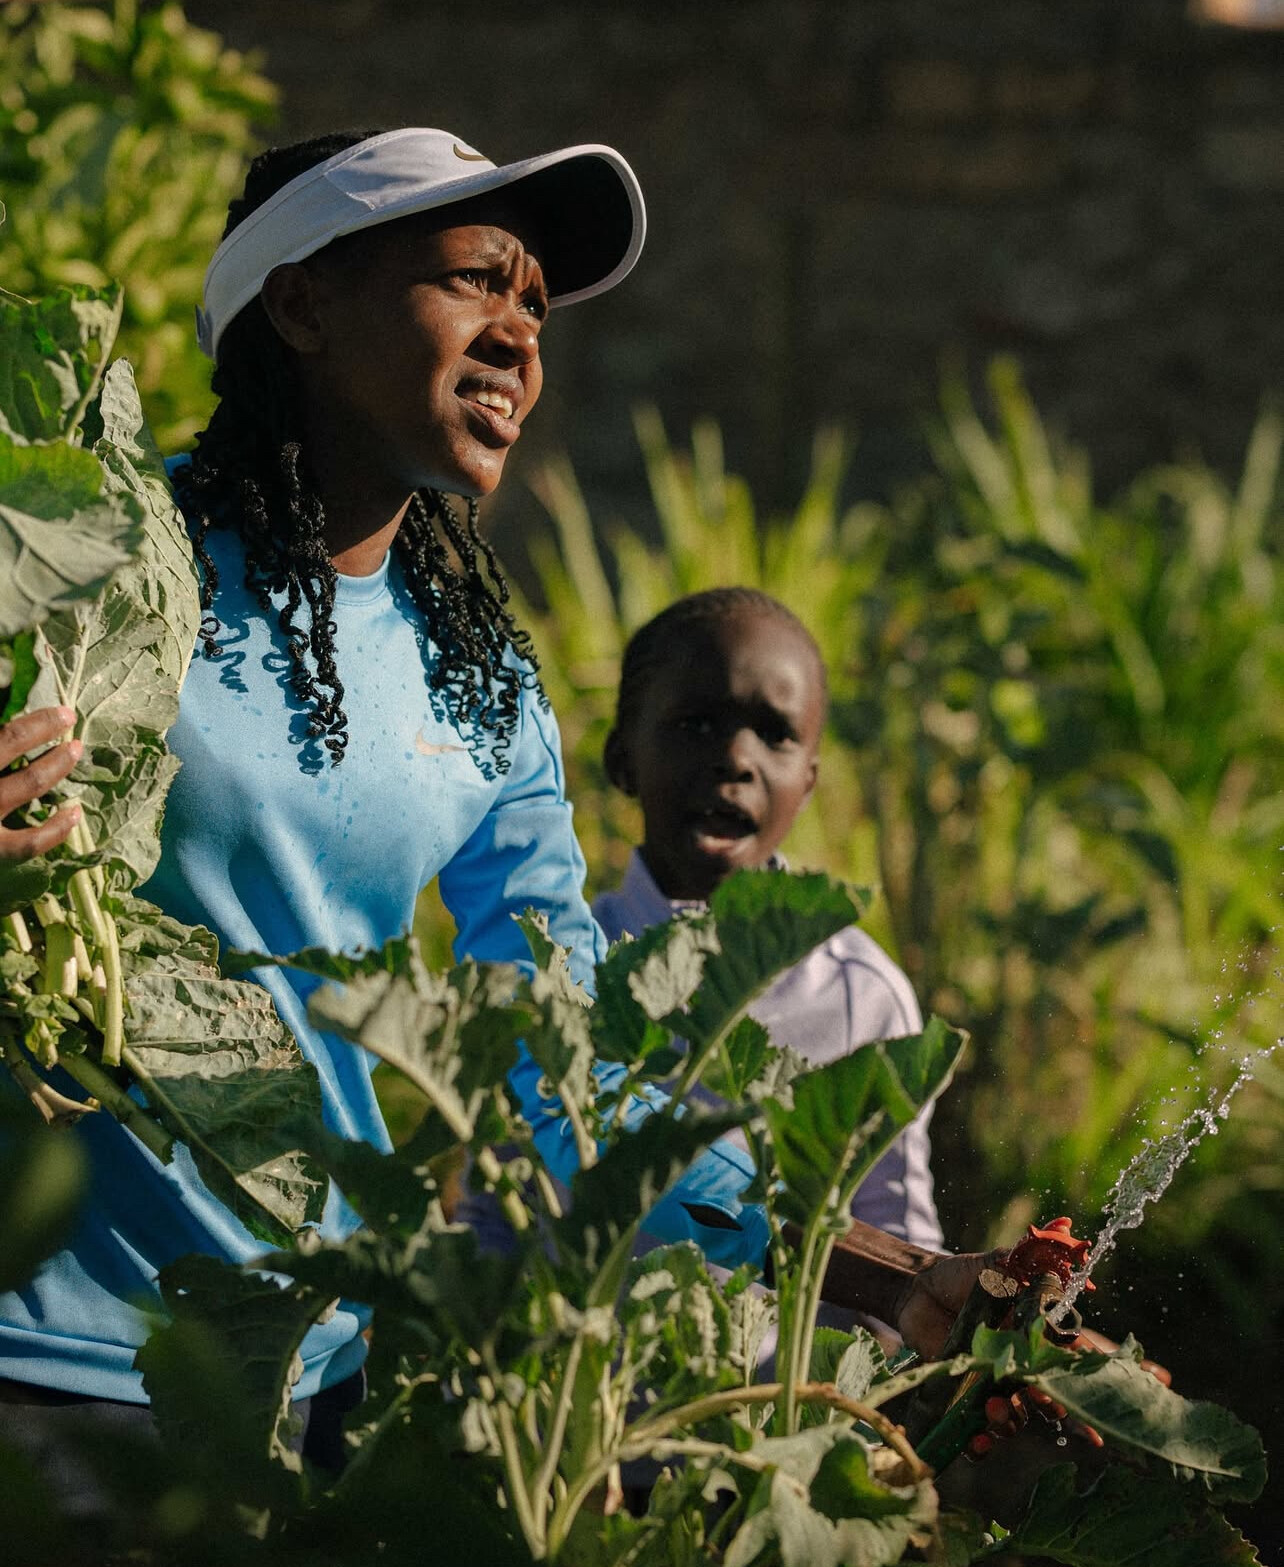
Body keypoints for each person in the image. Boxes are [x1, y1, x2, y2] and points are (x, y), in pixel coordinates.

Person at [0, 129, 993, 1479]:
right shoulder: (84, 560)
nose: (520, 335)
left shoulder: (483, 686)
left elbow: (561, 1055)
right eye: (474, 278)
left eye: (535, 304)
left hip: (316, 1356)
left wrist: (885, 1268)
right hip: (48, 1346)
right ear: (302, 304)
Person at [594, 587, 943, 1349]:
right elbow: (501, 1214)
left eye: (775, 734)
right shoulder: (573, 967)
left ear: (809, 781)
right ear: (623, 757)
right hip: (582, 1418)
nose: (734, 758)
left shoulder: (859, 995)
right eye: (695, 723)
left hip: (782, 1413)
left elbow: (901, 1240)